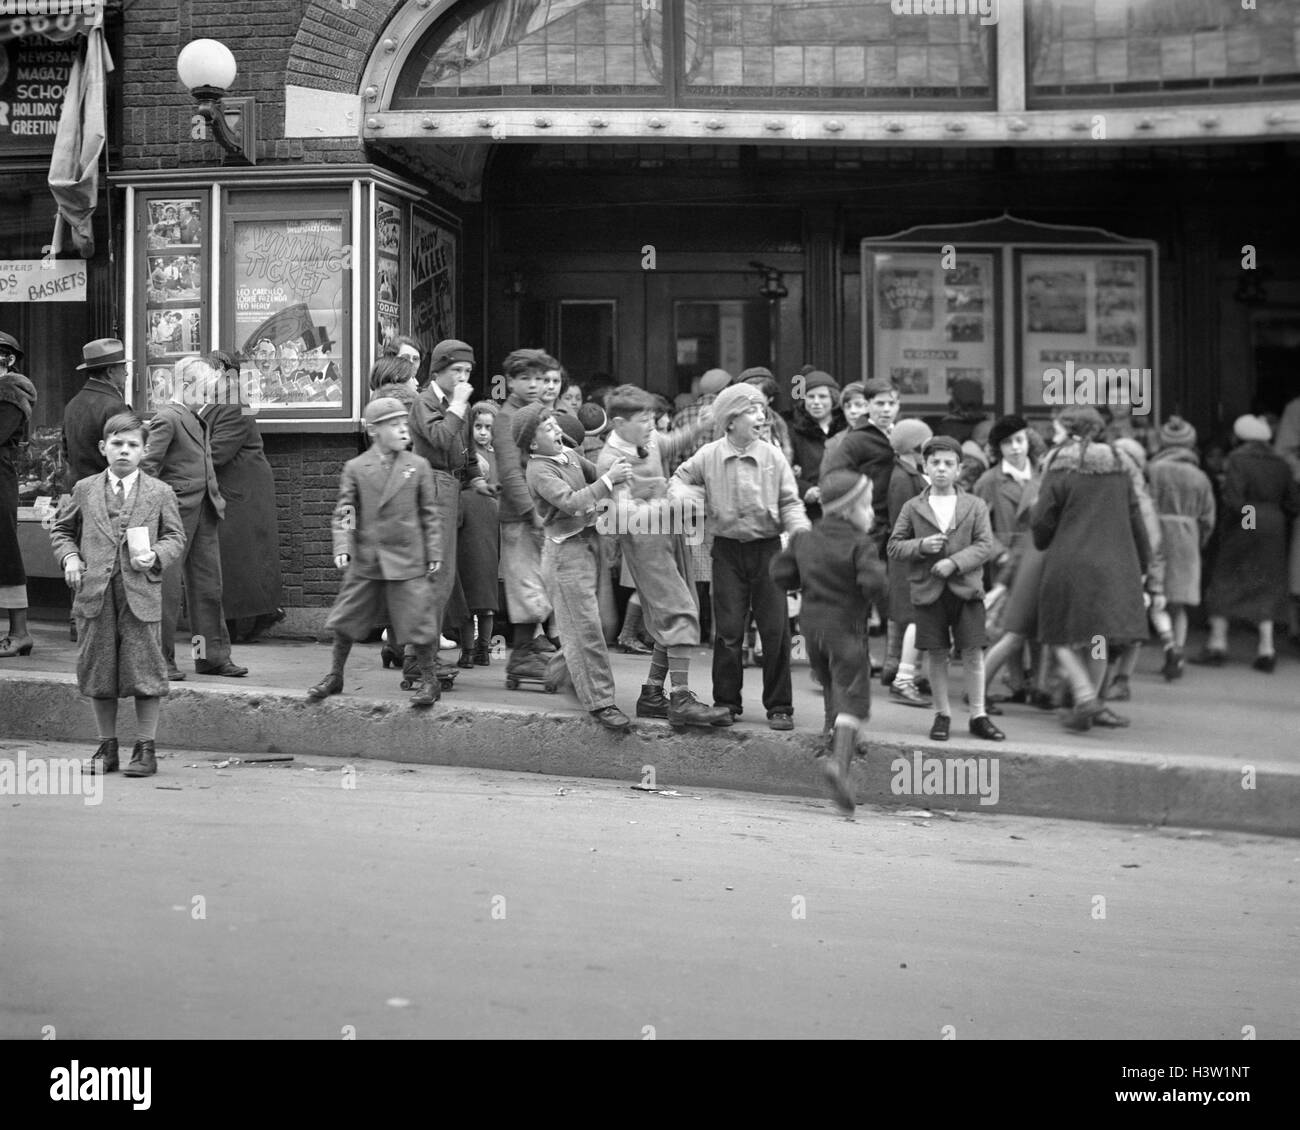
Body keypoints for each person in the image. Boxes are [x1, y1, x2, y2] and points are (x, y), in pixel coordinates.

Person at [49, 411, 187, 777]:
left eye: (132, 445)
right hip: (95, 594)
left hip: (140, 593)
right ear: (103, 448)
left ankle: (146, 748)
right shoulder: (85, 488)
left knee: (145, 670)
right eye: (117, 444)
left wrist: (156, 555)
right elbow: (62, 531)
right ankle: (106, 747)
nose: (124, 451)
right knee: (98, 671)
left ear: (144, 451)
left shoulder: (160, 492)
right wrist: (71, 558)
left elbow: (175, 536)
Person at [669, 382, 811, 730]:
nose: (761, 417)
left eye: (762, 410)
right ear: (730, 420)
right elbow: (679, 479)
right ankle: (726, 703)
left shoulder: (773, 456)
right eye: (752, 411)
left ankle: (780, 706)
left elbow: (790, 502)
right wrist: (692, 501)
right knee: (728, 631)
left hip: (768, 551)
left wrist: (801, 532)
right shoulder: (710, 454)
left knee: (775, 630)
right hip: (728, 551)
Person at [596, 384, 731, 728]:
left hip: (669, 534)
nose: (652, 426)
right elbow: (620, 516)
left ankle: (653, 694)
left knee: (672, 612)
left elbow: (670, 442)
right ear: (617, 423)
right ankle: (681, 699)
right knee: (678, 611)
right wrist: (667, 499)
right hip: (644, 545)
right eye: (643, 420)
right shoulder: (612, 460)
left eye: (653, 418)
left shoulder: (649, 438)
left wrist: (702, 424)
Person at [307, 397, 444, 706]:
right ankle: (335, 675)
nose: (402, 430)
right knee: (346, 619)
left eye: (403, 423)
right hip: (367, 558)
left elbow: (429, 514)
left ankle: (429, 681)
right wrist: (343, 545)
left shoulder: (418, 466)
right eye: (393, 425)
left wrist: (433, 552)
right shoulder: (356, 467)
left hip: (407, 559)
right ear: (373, 431)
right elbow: (346, 511)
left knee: (417, 622)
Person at [770, 470, 885, 814]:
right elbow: (873, 583)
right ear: (850, 510)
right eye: (867, 506)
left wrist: (805, 580)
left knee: (831, 681)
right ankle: (840, 763)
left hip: (811, 631)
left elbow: (781, 573)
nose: (872, 514)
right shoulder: (861, 544)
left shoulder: (805, 539)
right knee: (853, 695)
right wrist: (879, 592)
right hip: (846, 629)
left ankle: (834, 737)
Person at [514, 402, 634, 730]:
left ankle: (561, 672)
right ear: (533, 444)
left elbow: (596, 472)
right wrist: (609, 482)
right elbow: (570, 501)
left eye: (555, 423)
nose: (557, 429)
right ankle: (600, 703)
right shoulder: (538, 469)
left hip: (588, 545)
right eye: (548, 428)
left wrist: (623, 454)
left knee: (603, 624)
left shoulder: (566, 454)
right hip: (564, 555)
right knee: (586, 630)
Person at [1030, 406, 1150, 731]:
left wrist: (1041, 539)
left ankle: (1084, 696)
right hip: (1115, 564)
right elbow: (1137, 516)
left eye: (1056, 428)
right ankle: (1093, 702)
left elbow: (1042, 519)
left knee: (1058, 634)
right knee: (1098, 636)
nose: (1053, 434)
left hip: (1070, 562)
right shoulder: (1119, 464)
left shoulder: (1059, 465)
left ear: (1070, 431)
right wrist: (1145, 562)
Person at [888, 435, 1004, 743]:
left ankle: (979, 714)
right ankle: (942, 713)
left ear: (959, 469)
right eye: (935, 463)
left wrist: (954, 563)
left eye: (948, 464)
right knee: (936, 652)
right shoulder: (913, 507)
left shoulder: (975, 505)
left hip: (966, 589)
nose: (941, 469)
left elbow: (984, 545)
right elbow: (894, 546)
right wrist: (921, 546)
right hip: (928, 590)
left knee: (973, 651)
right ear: (925, 467)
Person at [141, 355, 247, 680]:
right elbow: (148, 468)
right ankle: (160, 660)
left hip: (203, 511)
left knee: (207, 588)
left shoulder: (189, 415)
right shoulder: (168, 418)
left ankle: (209, 657)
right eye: (204, 390)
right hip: (175, 515)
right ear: (186, 385)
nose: (208, 397)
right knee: (168, 590)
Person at [1196, 414, 1300, 672]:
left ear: (1240, 437)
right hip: (1273, 524)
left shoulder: (1238, 460)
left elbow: (1235, 500)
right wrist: (1271, 518)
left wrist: (1250, 523)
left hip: (1248, 519)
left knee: (1226, 578)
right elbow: (1294, 502)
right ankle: (1267, 649)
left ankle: (1217, 643)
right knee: (1267, 581)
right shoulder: (1281, 463)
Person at [199, 351, 285, 643]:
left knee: (240, 557)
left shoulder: (234, 402)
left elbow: (219, 450)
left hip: (240, 491)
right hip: (236, 488)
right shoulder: (224, 400)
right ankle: (251, 618)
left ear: (223, 371)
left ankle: (245, 623)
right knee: (240, 557)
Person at [407, 339, 477, 678]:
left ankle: (418, 655)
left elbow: (466, 448)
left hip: (450, 486)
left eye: (467, 371)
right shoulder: (426, 402)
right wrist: (459, 407)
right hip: (432, 485)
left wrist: (476, 478)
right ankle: (420, 660)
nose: (463, 377)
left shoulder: (452, 402)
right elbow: (441, 439)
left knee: (444, 577)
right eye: (457, 371)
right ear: (438, 370)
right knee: (435, 575)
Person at [972, 414, 1042, 708]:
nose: (1015, 448)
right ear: (997, 448)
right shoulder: (989, 481)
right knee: (1010, 625)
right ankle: (1015, 680)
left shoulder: (1043, 474)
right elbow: (977, 523)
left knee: (1037, 624)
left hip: (1037, 555)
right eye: (1007, 443)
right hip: (1005, 558)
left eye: (1019, 440)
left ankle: (1037, 682)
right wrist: (998, 551)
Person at [1146, 416, 1215, 679]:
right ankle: (1179, 651)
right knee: (1179, 603)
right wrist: (1201, 541)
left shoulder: (1153, 469)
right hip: (1187, 537)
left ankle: (1164, 645)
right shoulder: (1200, 476)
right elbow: (1209, 518)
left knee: (1155, 596)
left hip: (1157, 533)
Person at [883, 418, 934, 707]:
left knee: (909, 617)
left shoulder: (909, 472)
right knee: (913, 615)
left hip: (913, 555)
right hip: (911, 556)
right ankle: (906, 675)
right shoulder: (903, 478)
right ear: (914, 447)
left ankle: (903, 670)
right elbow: (904, 522)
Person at [456, 400, 502, 667]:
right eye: (479, 427)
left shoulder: (462, 498)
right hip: (489, 557)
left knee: (466, 608)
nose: (483, 432)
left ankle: (468, 652)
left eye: (488, 428)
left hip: (466, 559)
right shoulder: (492, 501)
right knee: (486, 606)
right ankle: (484, 651)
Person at [0, 331, 38, 658]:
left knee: (6, 552)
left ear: (9, 359)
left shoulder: (10, 393)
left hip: (0, 480)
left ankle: (19, 632)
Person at [62, 338, 130, 490]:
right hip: (107, 494)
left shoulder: (72, 404)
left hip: (79, 491)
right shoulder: (114, 406)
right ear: (110, 371)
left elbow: (66, 453)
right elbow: (125, 457)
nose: (127, 372)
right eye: (123, 367)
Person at [789, 370, 845, 522]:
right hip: (809, 514)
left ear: (833, 399)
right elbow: (784, 471)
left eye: (822, 396)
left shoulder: (846, 428)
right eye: (811, 396)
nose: (816, 402)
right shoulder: (793, 432)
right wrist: (805, 490)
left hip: (844, 508)